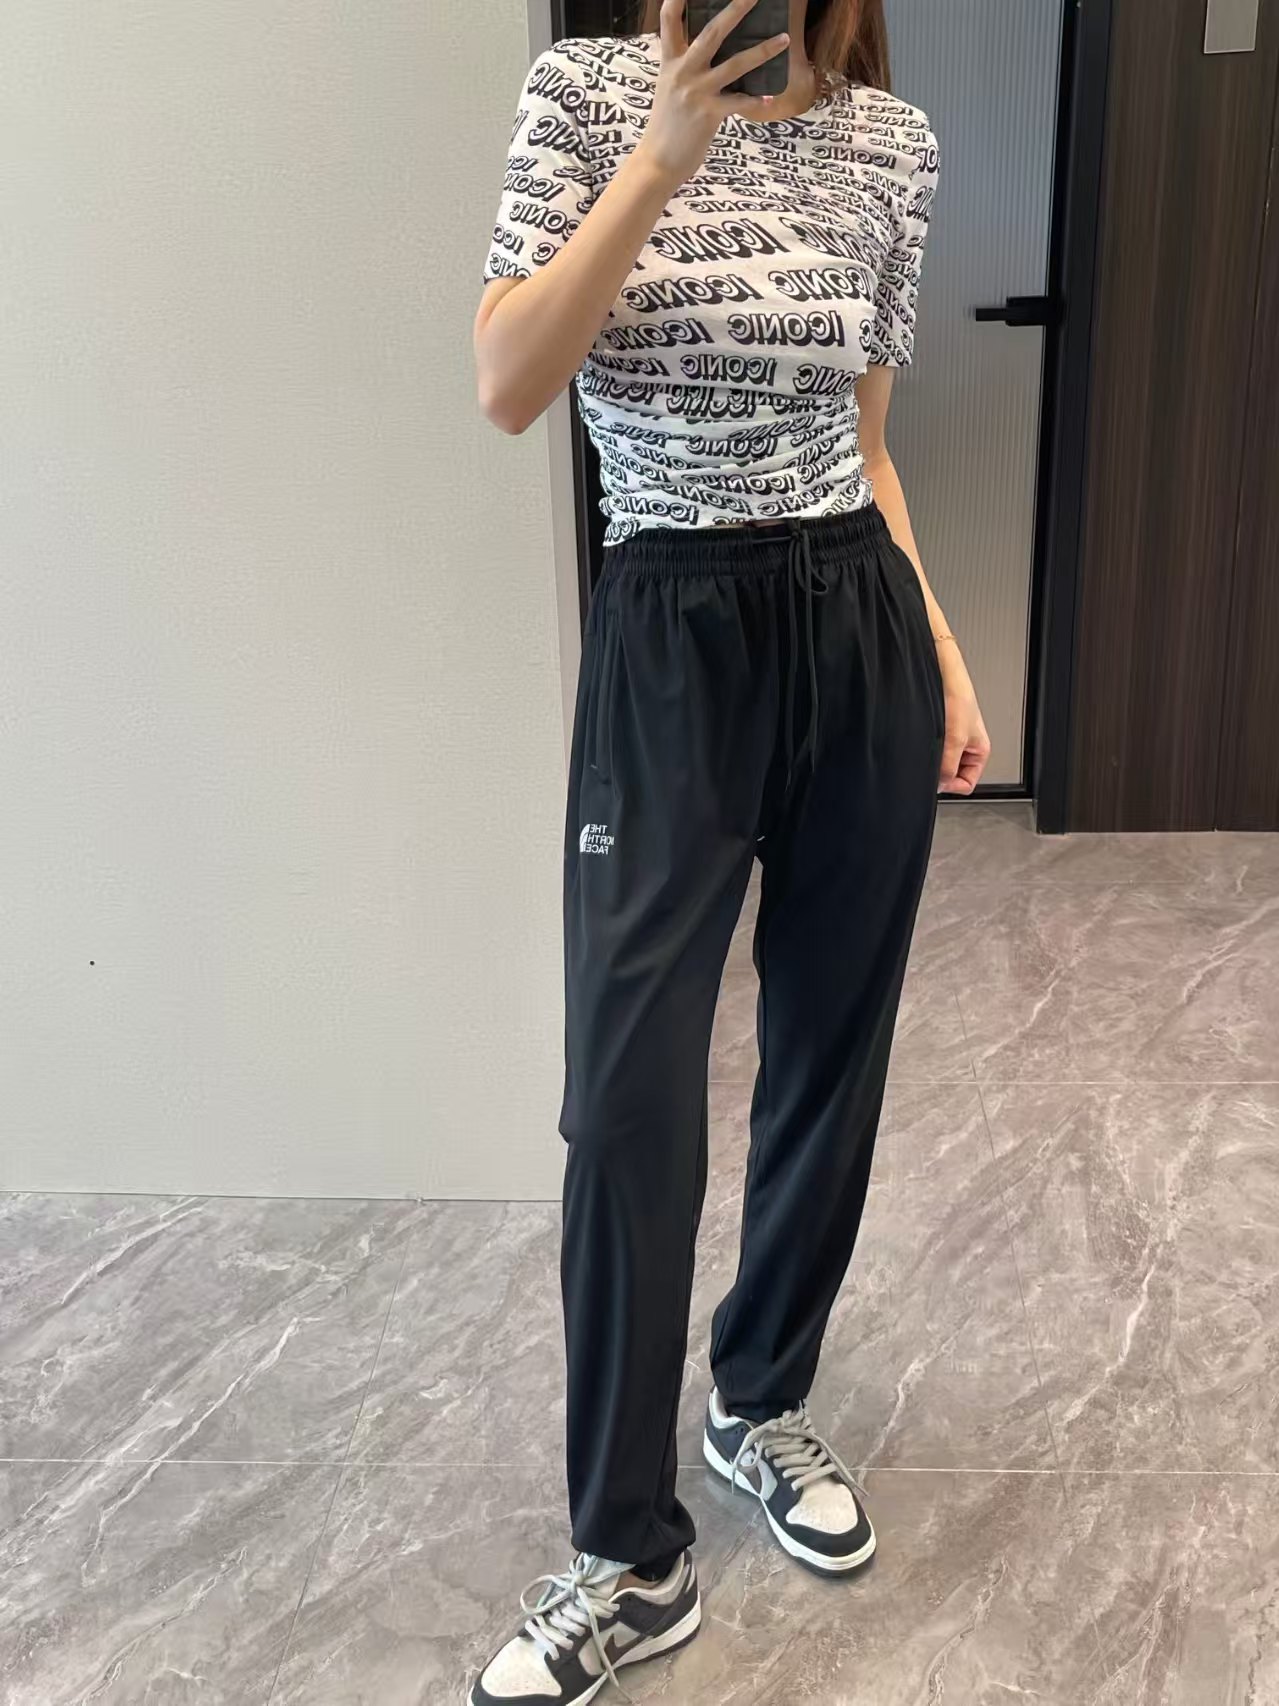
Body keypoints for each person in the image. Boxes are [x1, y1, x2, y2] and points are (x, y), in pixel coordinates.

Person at [470, 0, 990, 1698]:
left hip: (853, 618)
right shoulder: (581, 97)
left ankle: (759, 1396)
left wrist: (942, 648)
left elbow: (867, 442)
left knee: (830, 1053)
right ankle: (628, 1555)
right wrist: (659, 163)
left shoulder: (892, 145)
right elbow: (508, 382)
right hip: (671, 625)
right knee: (625, 1092)